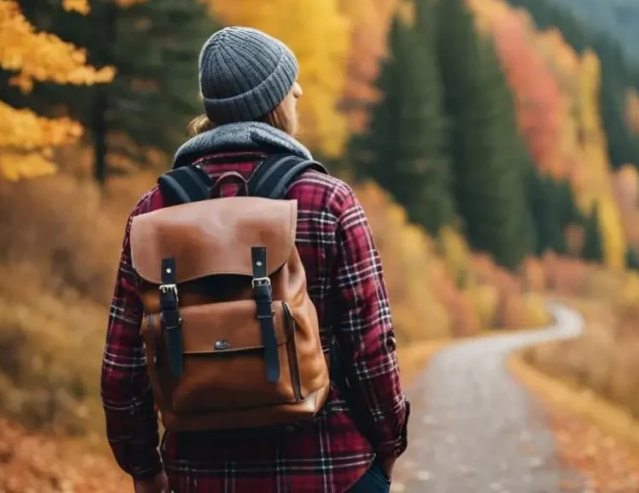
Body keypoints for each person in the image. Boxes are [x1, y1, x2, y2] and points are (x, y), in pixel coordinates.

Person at [101, 26, 409, 493]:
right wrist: (388, 446)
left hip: (200, 476)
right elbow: (371, 349)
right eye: (293, 90)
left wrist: (143, 468)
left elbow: (122, 370)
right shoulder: (328, 202)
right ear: (277, 104)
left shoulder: (153, 214)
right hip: (329, 468)